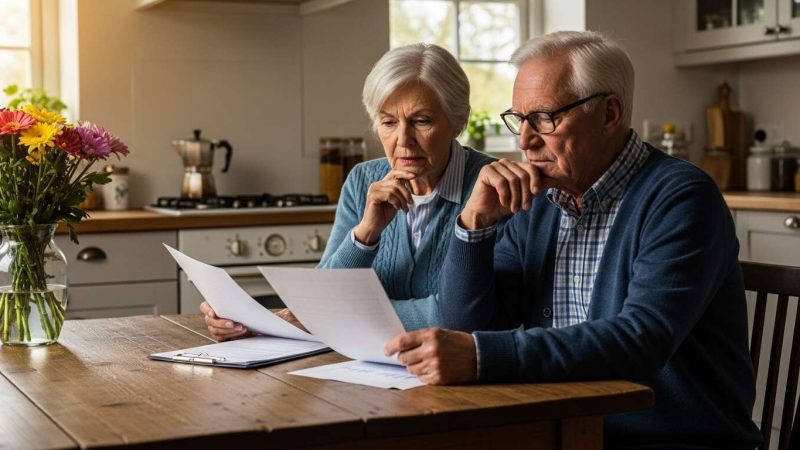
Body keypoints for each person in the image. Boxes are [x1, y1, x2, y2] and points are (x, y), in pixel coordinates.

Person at [384, 31, 762, 449]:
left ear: (609, 114)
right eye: (519, 119)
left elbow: (642, 339)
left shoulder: (681, 198)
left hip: (673, 441)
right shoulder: (541, 200)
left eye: (545, 118)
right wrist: (474, 223)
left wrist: (481, 356)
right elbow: (467, 325)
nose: (524, 140)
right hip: (561, 429)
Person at [202, 43, 498, 341]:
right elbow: (320, 298)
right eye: (388, 122)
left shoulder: (493, 188)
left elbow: (462, 315)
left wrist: (332, 317)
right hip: (365, 368)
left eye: (422, 121)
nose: (403, 140)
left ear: (459, 120)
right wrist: (366, 234)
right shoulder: (362, 180)